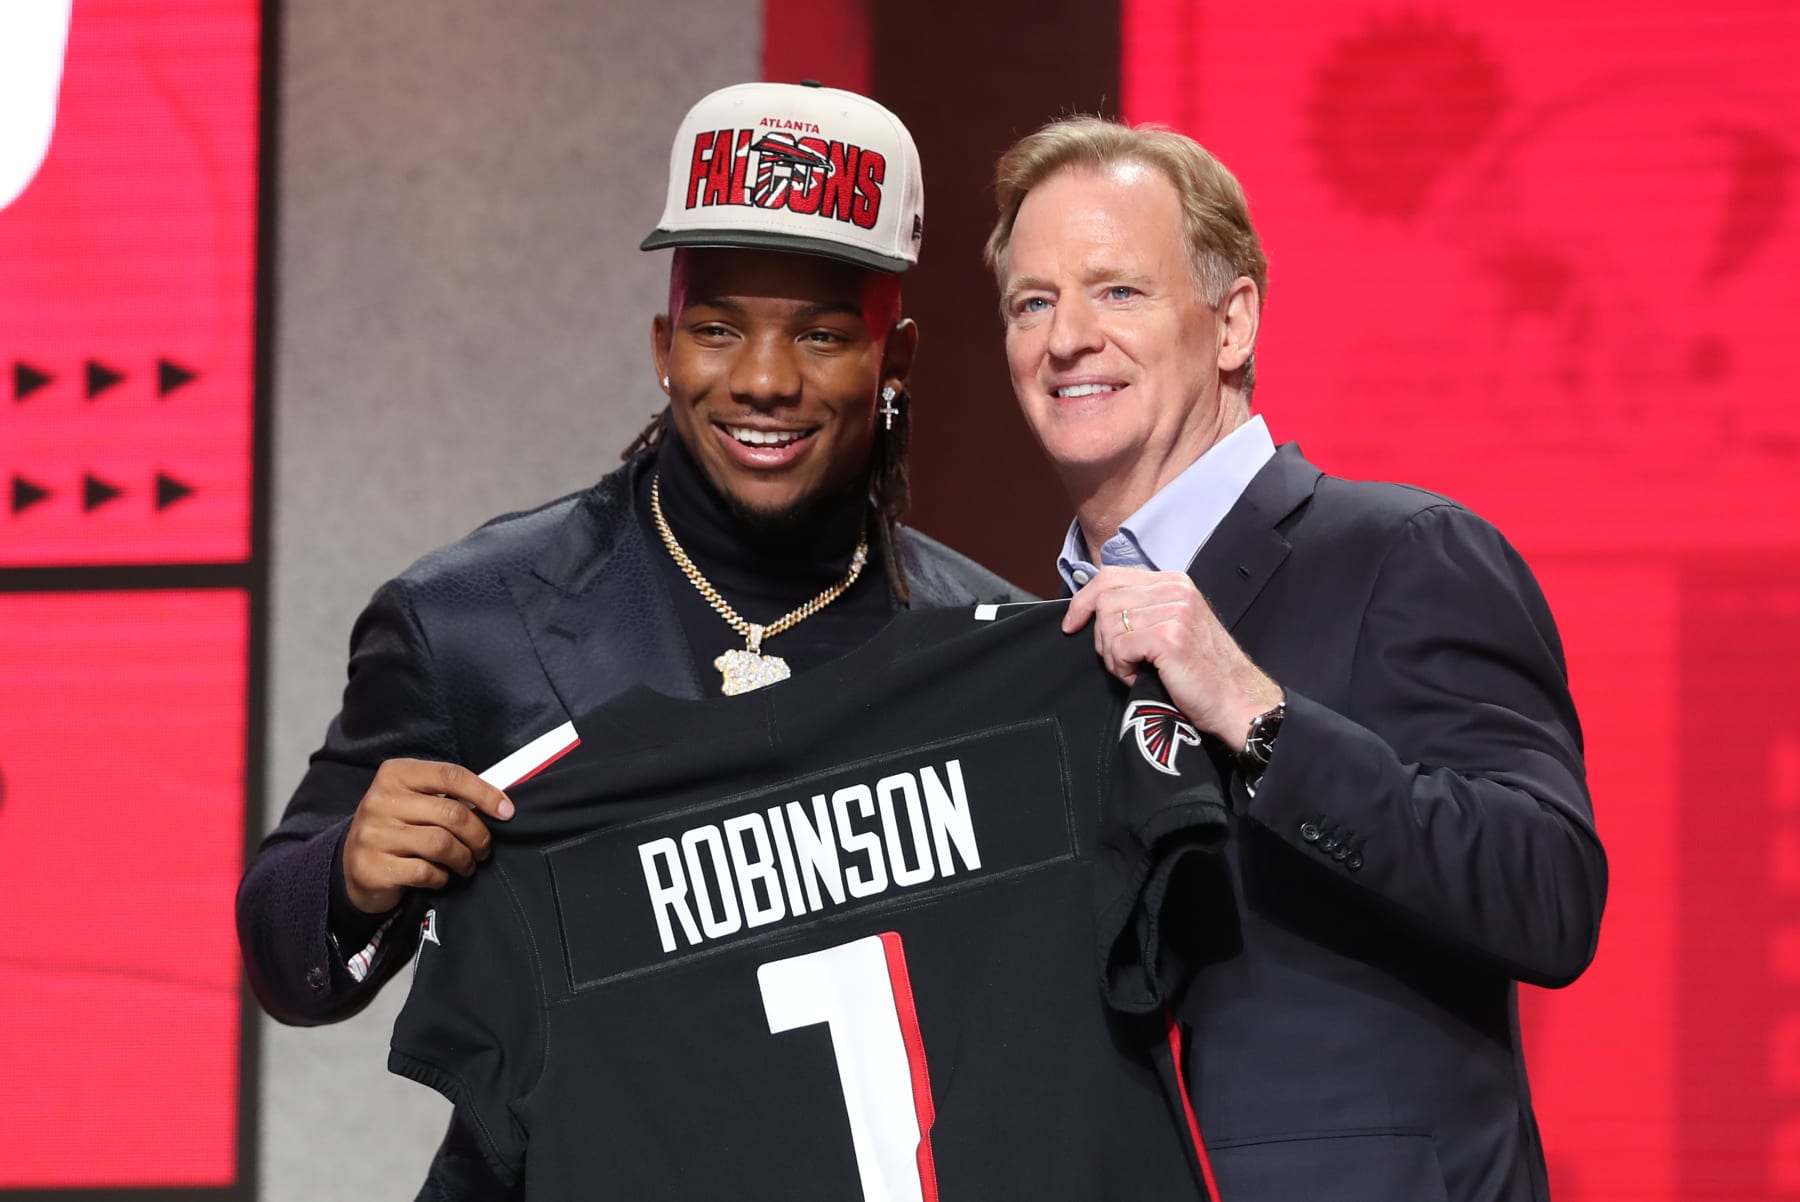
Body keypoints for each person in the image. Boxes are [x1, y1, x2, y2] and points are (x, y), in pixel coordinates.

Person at [237, 80, 1027, 1201]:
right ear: (664, 345)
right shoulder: (475, 620)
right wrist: (346, 877)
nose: (763, 379)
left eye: (820, 334)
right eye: (718, 328)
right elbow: (286, 961)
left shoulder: (985, 651)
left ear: (893, 362)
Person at [984, 117, 1606, 1202]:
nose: (1067, 337)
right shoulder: (1035, 649)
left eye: (1118, 290)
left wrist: (1257, 712)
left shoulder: (1403, 552)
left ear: (1232, 322)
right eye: (1032, 303)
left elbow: (1548, 893)